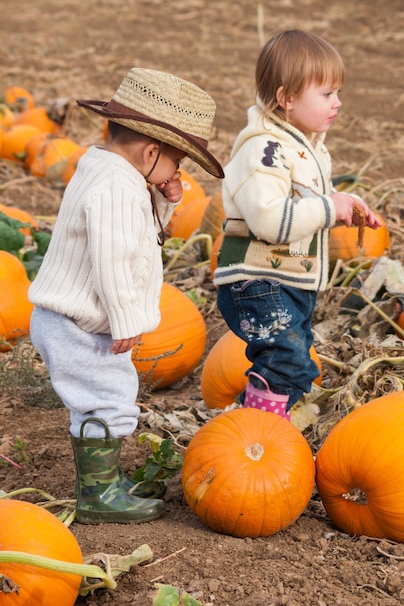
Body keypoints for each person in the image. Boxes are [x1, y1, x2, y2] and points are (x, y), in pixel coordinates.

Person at [28, 68, 224, 524]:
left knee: (101, 394)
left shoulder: (105, 167)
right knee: (107, 398)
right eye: (178, 162)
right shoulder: (117, 186)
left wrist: (166, 200)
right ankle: (98, 495)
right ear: (151, 150)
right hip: (78, 320)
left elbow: (135, 231)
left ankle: (103, 482)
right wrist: (126, 319)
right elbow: (114, 256)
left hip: (64, 315)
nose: (179, 171)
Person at [214, 29, 381, 420]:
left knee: (296, 362)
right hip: (257, 283)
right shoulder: (265, 150)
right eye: (326, 94)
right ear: (287, 98)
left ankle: (263, 423)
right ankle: (254, 432)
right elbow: (270, 220)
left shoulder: (305, 146)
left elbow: (306, 207)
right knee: (284, 361)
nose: (338, 103)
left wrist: (347, 206)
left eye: (338, 92)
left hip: (286, 282)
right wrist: (329, 207)